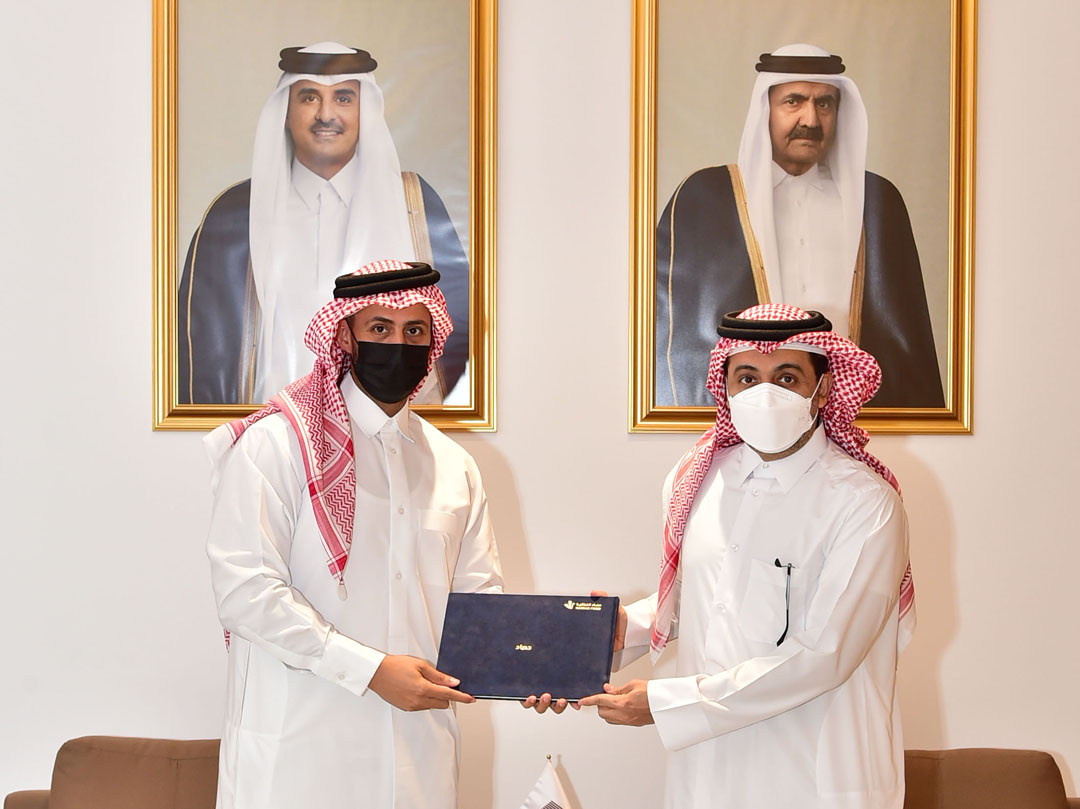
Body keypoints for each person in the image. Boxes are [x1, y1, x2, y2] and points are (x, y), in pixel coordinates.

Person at [582, 304, 915, 809]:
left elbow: (825, 653)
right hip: (708, 777)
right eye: (747, 376)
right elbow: (706, 596)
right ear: (725, 385)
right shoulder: (698, 477)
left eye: (786, 376)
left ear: (822, 389)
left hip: (813, 777)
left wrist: (665, 702)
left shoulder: (864, 503)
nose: (765, 393)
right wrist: (616, 630)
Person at [205, 259, 501, 809]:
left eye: (415, 331)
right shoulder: (278, 445)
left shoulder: (454, 466)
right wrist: (370, 671)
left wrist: (552, 658)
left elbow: (481, 608)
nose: (400, 344)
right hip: (300, 758)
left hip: (418, 764)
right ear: (344, 334)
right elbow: (246, 593)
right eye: (380, 329)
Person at [178, 43, 470, 405]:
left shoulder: (414, 203)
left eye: (344, 98)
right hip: (265, 434)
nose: (326, 114)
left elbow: (455, 335)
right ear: (285, 111)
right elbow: (200, 351)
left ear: (366, 112)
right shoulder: (233, 214)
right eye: (309, 98)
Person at [656, 43, 944, 408]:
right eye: (793, 101)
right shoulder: (704, 198)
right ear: (766, 110)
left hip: (857, 417)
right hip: (750, 415)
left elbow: (906, 335)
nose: (810, 119)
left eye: (824, 103)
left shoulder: (878, 200)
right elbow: (675, 334)